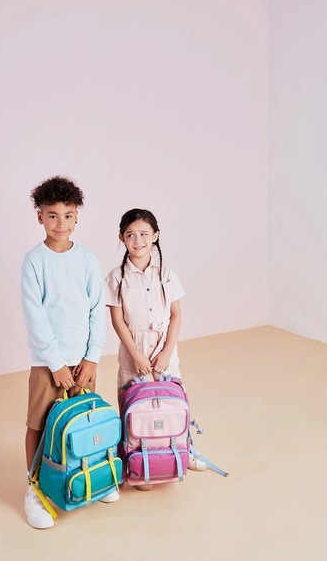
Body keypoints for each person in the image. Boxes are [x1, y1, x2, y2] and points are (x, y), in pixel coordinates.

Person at [21, 175, 118, 529]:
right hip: (48, 363)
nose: (60, 223)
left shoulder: (87, 259)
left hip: (83, 362)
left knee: (84, 422)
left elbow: (96, 311)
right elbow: (36, 316)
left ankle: (89, 474)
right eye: (52, 215)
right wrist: (56, 364)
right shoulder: (34, 261)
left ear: (77, 217)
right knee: (39, 424)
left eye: (68, 215)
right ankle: (34, 488)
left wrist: (92, 357)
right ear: (40, 217)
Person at [105, 208, 207, 490]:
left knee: (172, 401)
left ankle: (181, 449)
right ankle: (138, 460)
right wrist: (136, 355)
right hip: (133, 351)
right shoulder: (116, 278)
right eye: (130, 234)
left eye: (144, 234)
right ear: (122, 238)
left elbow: (176, 315)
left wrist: (166, 352)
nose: (137, 240)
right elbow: (117, 320)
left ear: (155, 236)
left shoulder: (167, 274)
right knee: (137, 407)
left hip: (164, 351)